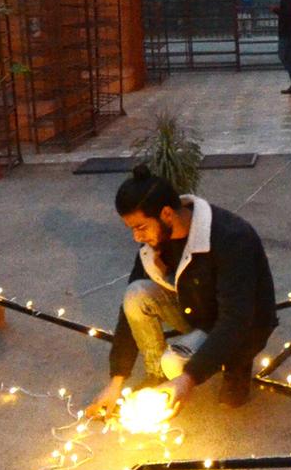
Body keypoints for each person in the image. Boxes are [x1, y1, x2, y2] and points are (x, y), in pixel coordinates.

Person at [84, 167, 278, 420]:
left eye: (141, 226)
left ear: (166, 214)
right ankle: (158, 375)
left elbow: (236, 319)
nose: (136, 237)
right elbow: (127, 312)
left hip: (245, 325)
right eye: (131, 229)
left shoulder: (231, 238)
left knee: (176, 365)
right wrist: (116, 380)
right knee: (135, 294)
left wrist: (188, 378)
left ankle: (236, 367)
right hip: (196, 309)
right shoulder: (154, 244)